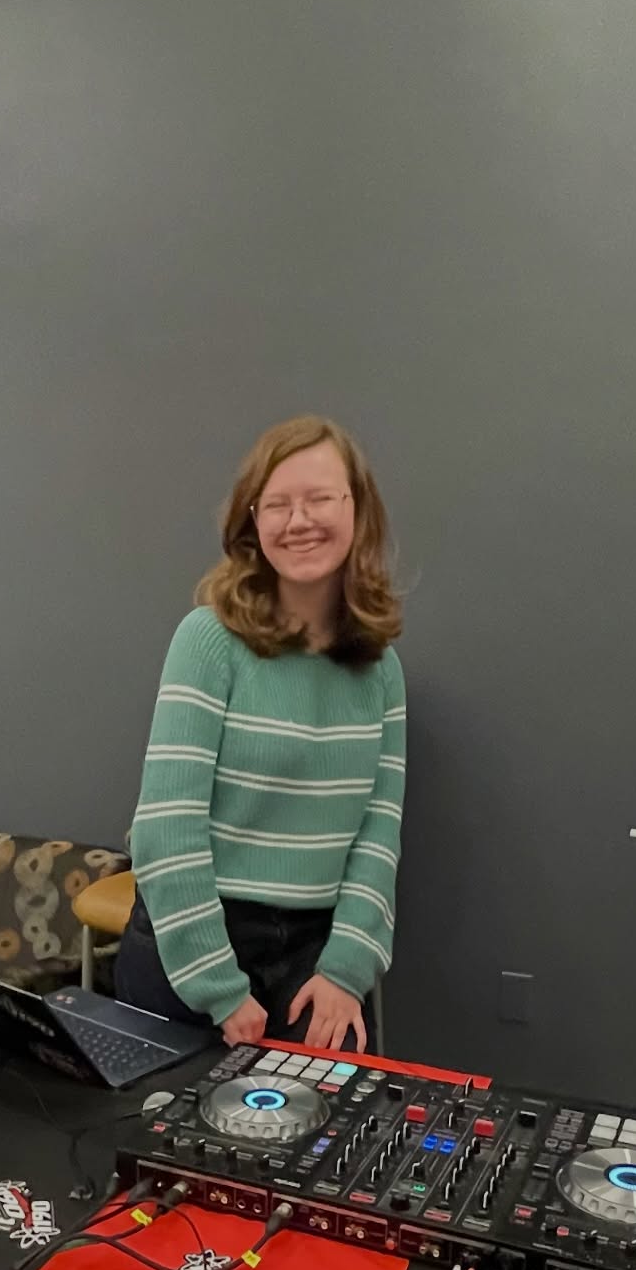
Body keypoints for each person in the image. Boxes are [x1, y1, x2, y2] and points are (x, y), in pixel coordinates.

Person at [116, 416, 405, 1052]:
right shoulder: (209, 640)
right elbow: (168, 828)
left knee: (332, 1137)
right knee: (169, 1147)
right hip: (193, 941)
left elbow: (377, 837)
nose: (298, 520)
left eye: (320, 498)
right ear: (254, 523)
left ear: (359, 510)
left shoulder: (380, 669)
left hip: (315, 952)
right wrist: (220, 988)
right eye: (277, 504)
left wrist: (345, 972)